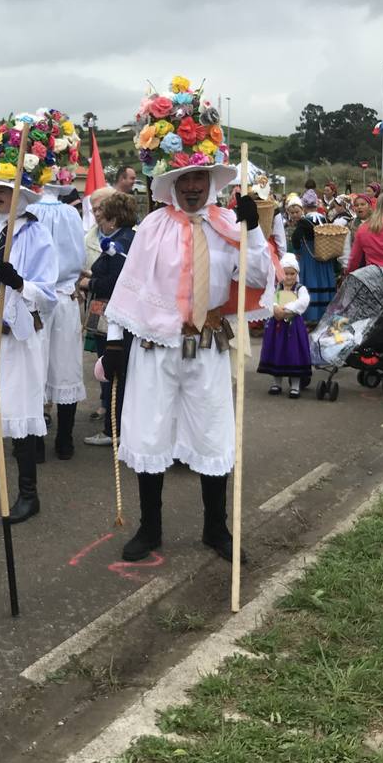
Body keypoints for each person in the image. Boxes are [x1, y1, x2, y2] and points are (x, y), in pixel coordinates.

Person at [107, 75, 272, 563]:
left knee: (213, 433)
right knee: (150, 432)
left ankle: (215, 528)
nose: (195, 187)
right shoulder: (152, 228)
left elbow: (260, 273)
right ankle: (150, 527)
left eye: (201, 179)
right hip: (157, 348)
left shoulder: (229, 226)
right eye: (186, 180)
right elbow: (127, 289)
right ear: (173, 183)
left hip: (209, 347)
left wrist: (254, 230)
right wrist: (115, 344)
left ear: (212, 181)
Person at [0, 116, 58, 523]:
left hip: (18, 338)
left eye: (5, 189)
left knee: (18, 412)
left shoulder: (37, 235)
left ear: (21, 194)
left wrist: (19, 284)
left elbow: (48, 294)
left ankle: (27, 493)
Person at [28, 109, 87, 460]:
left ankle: (34, 444)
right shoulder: (69, 213)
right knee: (64, 366)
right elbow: (77, 258)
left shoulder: (30, 212)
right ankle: (65, 440)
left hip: (34, 299)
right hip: (63, 298)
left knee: (35, 366)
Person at [79, 187, 137, 446]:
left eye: (103, 214)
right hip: (123, 318)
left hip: (115, 319)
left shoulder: (118, 243)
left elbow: (116, 282)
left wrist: (87, 284)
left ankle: (113, 431)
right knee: (121, 373)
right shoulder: (129, 238)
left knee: (115, 373)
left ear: (114, 219)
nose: (99, 217)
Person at [257, 252, 310, 398]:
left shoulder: (300, 289)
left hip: (294, 327)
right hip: (277, 326)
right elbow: (268, 298)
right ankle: (277, 383)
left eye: (292, 274)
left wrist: (287, 309)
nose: (289, 277)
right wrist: (275, 308)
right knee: (277, 351)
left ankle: (295, 385)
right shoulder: (276, 288)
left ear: (296, 273)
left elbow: (303, 302)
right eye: (286, 273)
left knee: (294, 353)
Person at [288, 194, 336, 323]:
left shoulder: (303, 222)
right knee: (324, 282)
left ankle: (311, 315)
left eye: (296, 211)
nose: (294, 215)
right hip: (324, 253)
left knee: (311, 282)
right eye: (292, 213)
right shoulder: (322, 217)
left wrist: (297, 251)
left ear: (303, 208)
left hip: (309, 256)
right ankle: (326, 314)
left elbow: (295, 238)